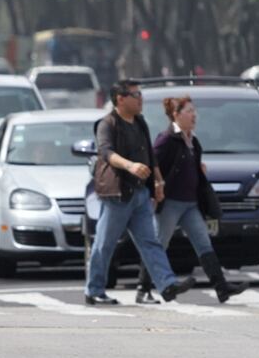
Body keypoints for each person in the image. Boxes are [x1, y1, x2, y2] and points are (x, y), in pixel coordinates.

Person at [84, 79, 197, 305]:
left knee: (150, 242)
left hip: (140, 195)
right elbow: (106, 153)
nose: (140, 99)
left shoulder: (140, 122)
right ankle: (94, 290)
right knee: (104, 245)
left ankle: (167, 285)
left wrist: (158, 181)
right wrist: (130, 166)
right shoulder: (107, 124)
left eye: (140, 95)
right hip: (117, 195)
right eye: (136, 95)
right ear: (121, 99)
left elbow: (150, 155)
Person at [134, 96, 249, 304]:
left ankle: (221, 288)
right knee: (159, 244)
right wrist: (156, 189)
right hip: (170, 203)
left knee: (204, 243)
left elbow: (191, 165)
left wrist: (198, 170)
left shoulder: (193, 140)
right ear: (176, 115)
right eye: (189, 111)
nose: (194, 115)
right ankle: (143, 288)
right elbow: (153, 165)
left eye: (194, 111)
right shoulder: (166, 139)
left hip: (190, 203)